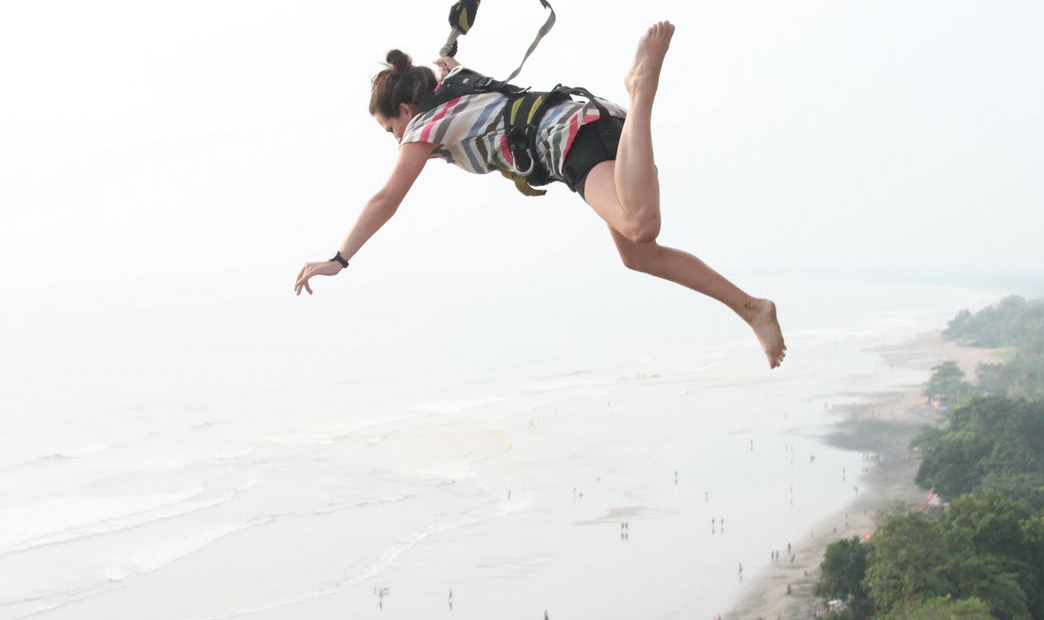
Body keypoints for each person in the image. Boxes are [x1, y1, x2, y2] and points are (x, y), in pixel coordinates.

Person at [293, 21, 786, 368]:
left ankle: (642, 88)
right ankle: (752, 308)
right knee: (638, 254)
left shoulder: (424, 126)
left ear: (406, 109)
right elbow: (450, 73)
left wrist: (339, 258)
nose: (397, 139)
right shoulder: (453, 84)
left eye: (391, 128)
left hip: (571, 139)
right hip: (591, 125)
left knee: (640, 224)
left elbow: (386, 199)